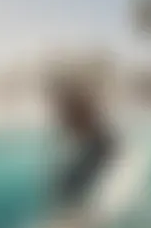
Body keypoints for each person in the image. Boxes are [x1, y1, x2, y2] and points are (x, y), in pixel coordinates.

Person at [49, 76, 117, 208]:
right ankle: (72, 205)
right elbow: (76, 134)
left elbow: (97, 136)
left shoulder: (77, 109)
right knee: (66, 182)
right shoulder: (72, 111)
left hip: (101, 146)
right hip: (97, 146)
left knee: (74, 181)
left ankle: (80, 205)